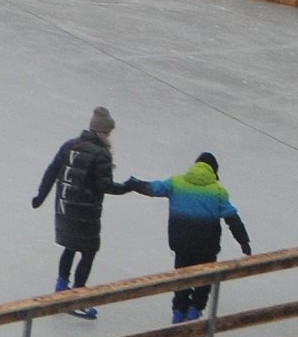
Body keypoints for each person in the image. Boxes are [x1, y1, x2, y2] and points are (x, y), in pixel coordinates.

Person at [31, 106, 142, 318]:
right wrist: (129, 186)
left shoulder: (70, 145)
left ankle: (61, 288)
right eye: (108, 133)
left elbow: (52, 171)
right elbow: (106, 186)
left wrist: (40, 197)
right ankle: (76, 297)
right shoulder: (101, 154)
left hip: (64, 207)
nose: (109, 137)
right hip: (86, 212)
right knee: (88, 252)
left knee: (70, 246)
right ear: (102, 132)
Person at [144, 152, 253, 323]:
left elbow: (152, 188)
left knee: (182, 278)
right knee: (205, 279)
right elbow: (233, 219)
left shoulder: (176, 183)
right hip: (207, 247)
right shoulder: (218, 191)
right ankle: (195, 310)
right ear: (214, 171)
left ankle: (178, 312)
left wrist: (132, 184)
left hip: (181, 244)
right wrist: (244, 241)